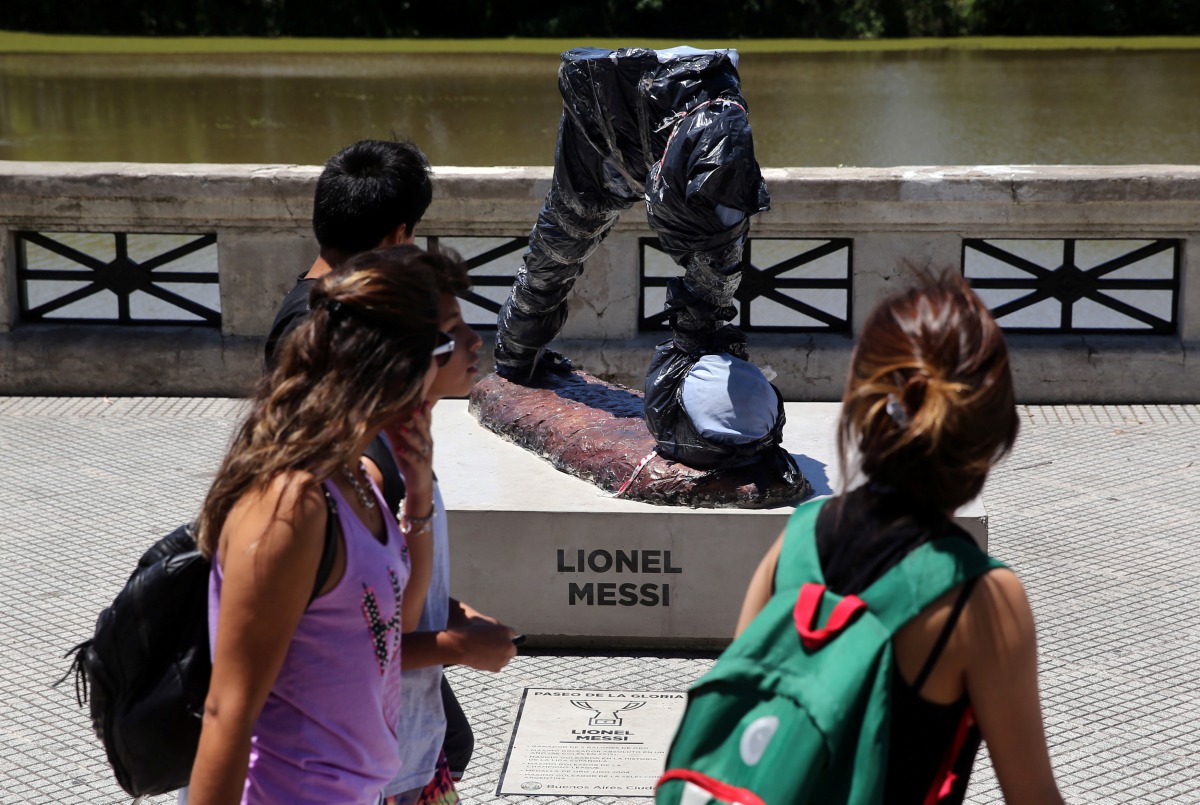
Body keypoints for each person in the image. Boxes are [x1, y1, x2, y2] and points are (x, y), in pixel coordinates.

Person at [734, 273, 1063, 803]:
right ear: (994, 434)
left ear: (861, 408)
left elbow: (738, 725)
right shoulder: (983, 600)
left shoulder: (793, 545)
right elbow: (1032, 795)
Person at [186, 247, 443, 804]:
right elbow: (226, 713)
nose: (458, 359)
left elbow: (396, 627)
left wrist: (418, 489)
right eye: (441, 346)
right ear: (398, 364)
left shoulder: (357, 478)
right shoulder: (290, 506)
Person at [379, 249, 518, 805]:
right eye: (453, 330)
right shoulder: (368, 469)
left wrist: (453, 613)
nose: (474, 341)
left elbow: (393, 603)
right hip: (367, 772)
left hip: (412, 758)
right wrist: (455, 645)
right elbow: (354, 644)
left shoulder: (407, 454)